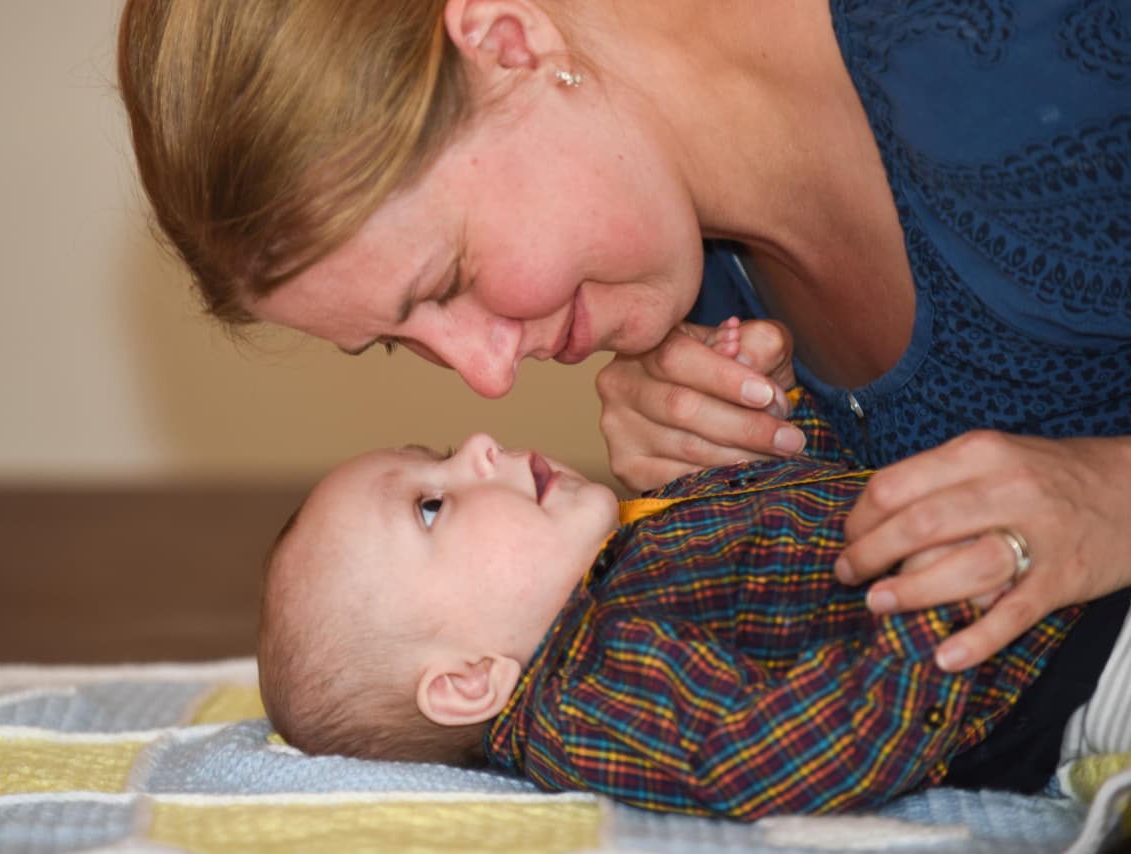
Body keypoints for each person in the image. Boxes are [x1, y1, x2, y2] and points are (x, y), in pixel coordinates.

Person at [117, 1, 1131, 673]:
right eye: (400, 341)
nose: (487, 378)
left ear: (510, 42)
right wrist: (743, 487)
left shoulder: (1033, 39)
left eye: (449, 281)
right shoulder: (699, 290)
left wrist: (1112, 497)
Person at [257, 389, 1131, 819]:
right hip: (1062, 674)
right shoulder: (590, 697)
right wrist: (928, 615)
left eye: (441, 451)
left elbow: (810, 515)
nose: (479, 445)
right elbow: (766, 753)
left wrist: (776, 414)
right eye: (431, 506)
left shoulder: (627, 548)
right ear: (466, 681)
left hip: (1056, 562)